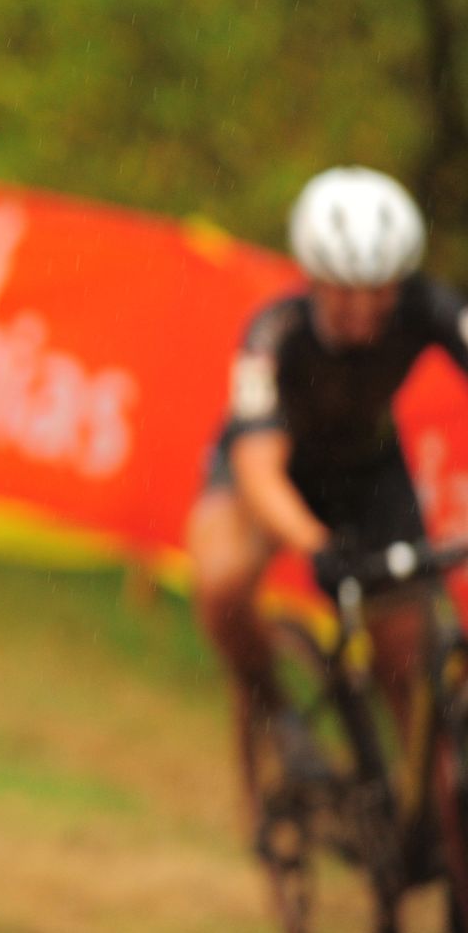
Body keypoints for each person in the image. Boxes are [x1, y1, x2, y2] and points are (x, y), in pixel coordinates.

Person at [186, 166, 468, 779]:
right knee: (222, 582)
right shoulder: (273, 334)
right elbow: (258, 470)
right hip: (267, 473)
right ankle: (272, 707)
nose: (364, 308)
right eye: (345, 290)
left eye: (380, 290)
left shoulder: (427, 308)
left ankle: (433, 824)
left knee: (408, 666)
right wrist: (315, 546)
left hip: (366, 473)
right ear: (313, 279)